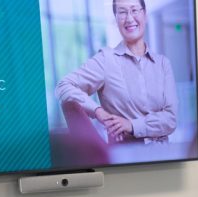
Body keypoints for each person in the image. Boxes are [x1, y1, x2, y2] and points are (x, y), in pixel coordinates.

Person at [55, 0, 177, 144]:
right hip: (126, 159)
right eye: (122, 12)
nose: (129, 18)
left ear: (144, 14)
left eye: (134, 10)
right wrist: (99, 112)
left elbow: (171, 119)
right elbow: (64, 86)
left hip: (165, 157)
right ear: (115, 19)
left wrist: (131, 125)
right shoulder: (105, 60)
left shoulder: (162, 64)